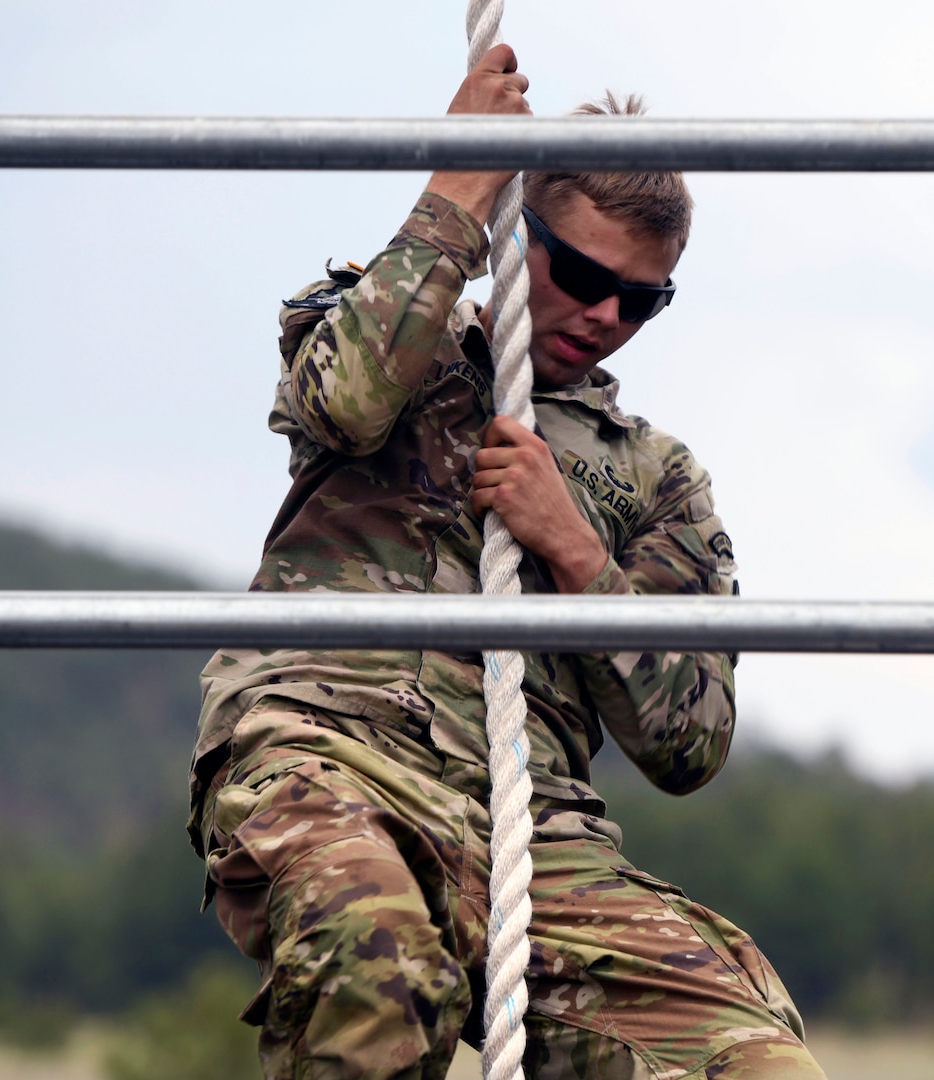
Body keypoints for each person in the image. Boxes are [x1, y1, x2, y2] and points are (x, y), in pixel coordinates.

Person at [187, 43, 826, 1080]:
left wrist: (575, 549)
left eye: (640, 300)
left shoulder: (656, 478)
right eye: (577, 275)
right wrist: (457, 181)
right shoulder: (399, 334)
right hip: (331, 745)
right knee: (373, 966)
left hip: (533, 828)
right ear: (511, 223)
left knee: (754, 1060)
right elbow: (343, 402)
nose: (604, 318)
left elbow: (691, 741)